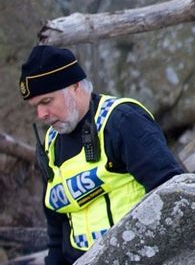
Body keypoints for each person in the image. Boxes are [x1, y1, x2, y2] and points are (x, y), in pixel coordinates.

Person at [20, 44, 185, 264]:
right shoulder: (50, 142)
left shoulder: (122, 121)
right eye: (35, 106)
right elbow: (56, 226)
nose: (41, 114)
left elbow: (173, 193)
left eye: (46, 101)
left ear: (75, 87)